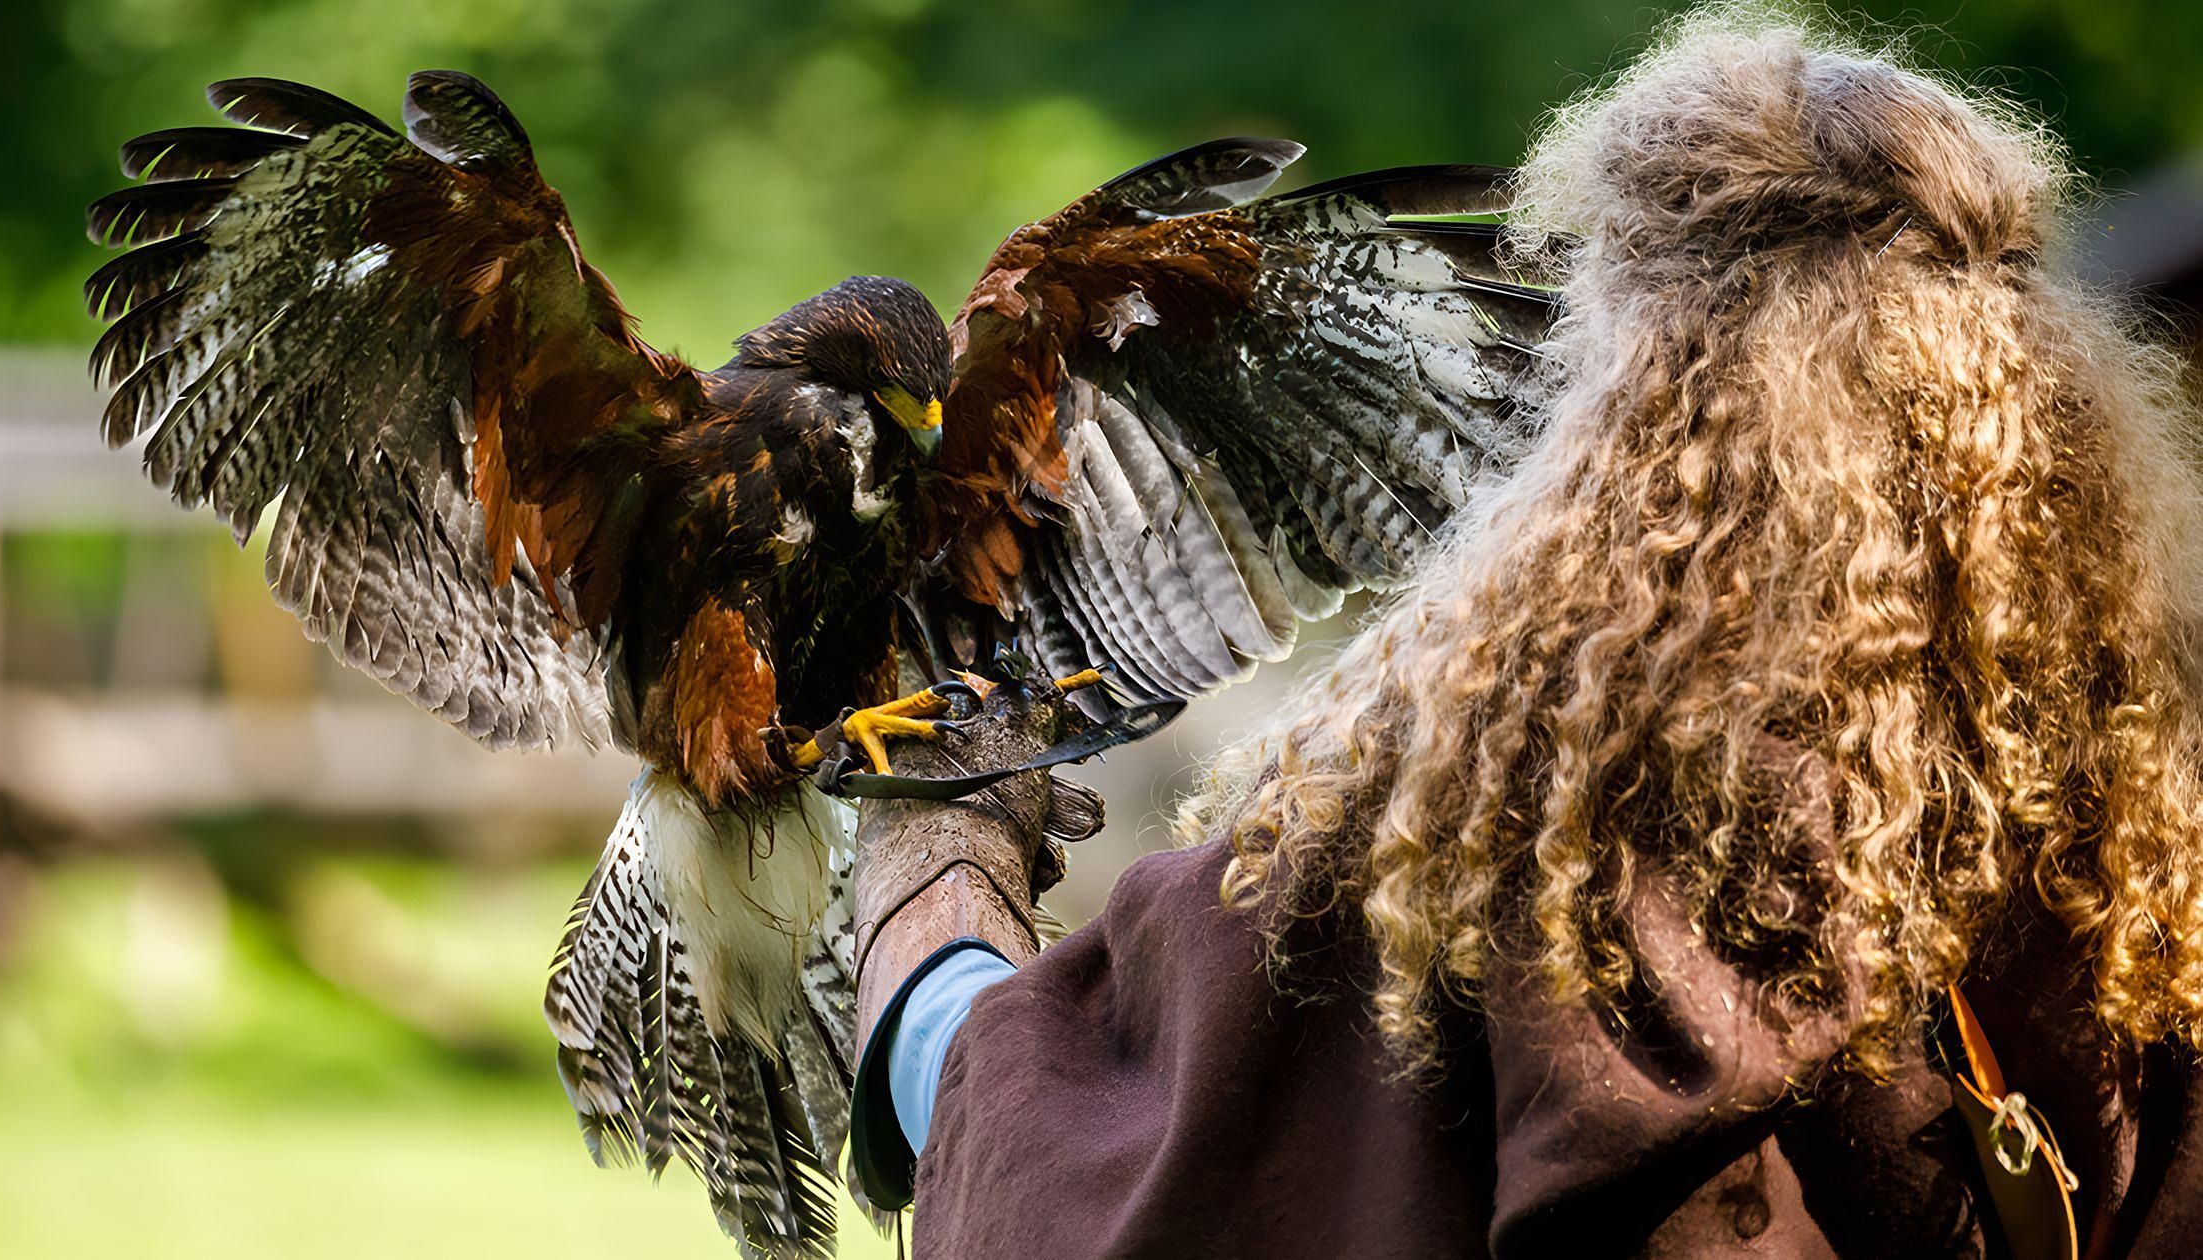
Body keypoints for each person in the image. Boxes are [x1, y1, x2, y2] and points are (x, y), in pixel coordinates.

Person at [848, 13, 2203, 1257]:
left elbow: (1086, 1161)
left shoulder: (1487, 847)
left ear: (1622, 379)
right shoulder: (2143, 845)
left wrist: (931, 889)